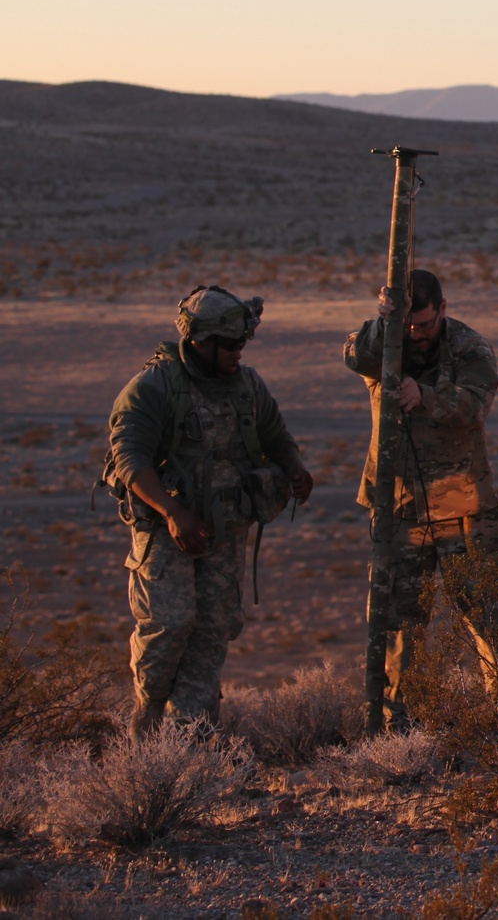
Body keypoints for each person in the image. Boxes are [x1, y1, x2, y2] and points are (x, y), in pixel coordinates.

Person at [104, 286, 315, 736]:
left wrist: (295, 469)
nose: (238, 352)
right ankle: (145, 732)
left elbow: (276, 434)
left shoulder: (247, 386)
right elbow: (130, 461)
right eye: (229, 345)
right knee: (169, 627)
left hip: (224, 533)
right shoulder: (154, 388)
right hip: (167, 534)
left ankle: (191, 745)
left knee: (211, 632)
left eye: (242, 343)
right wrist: (172, 513)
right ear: (199, 340)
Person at [343, 269, 498, 724]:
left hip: (464, 507)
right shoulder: (385, 343)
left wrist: (423, 396)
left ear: (442, 309)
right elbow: (354, 355)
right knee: (401, 628)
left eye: (424, 324)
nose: (416, 334)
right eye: (409, 325)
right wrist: (384, 320)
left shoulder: (468, 347)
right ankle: (400, 732)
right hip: (402, 509)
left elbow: (474, 407)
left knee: (493, 618)